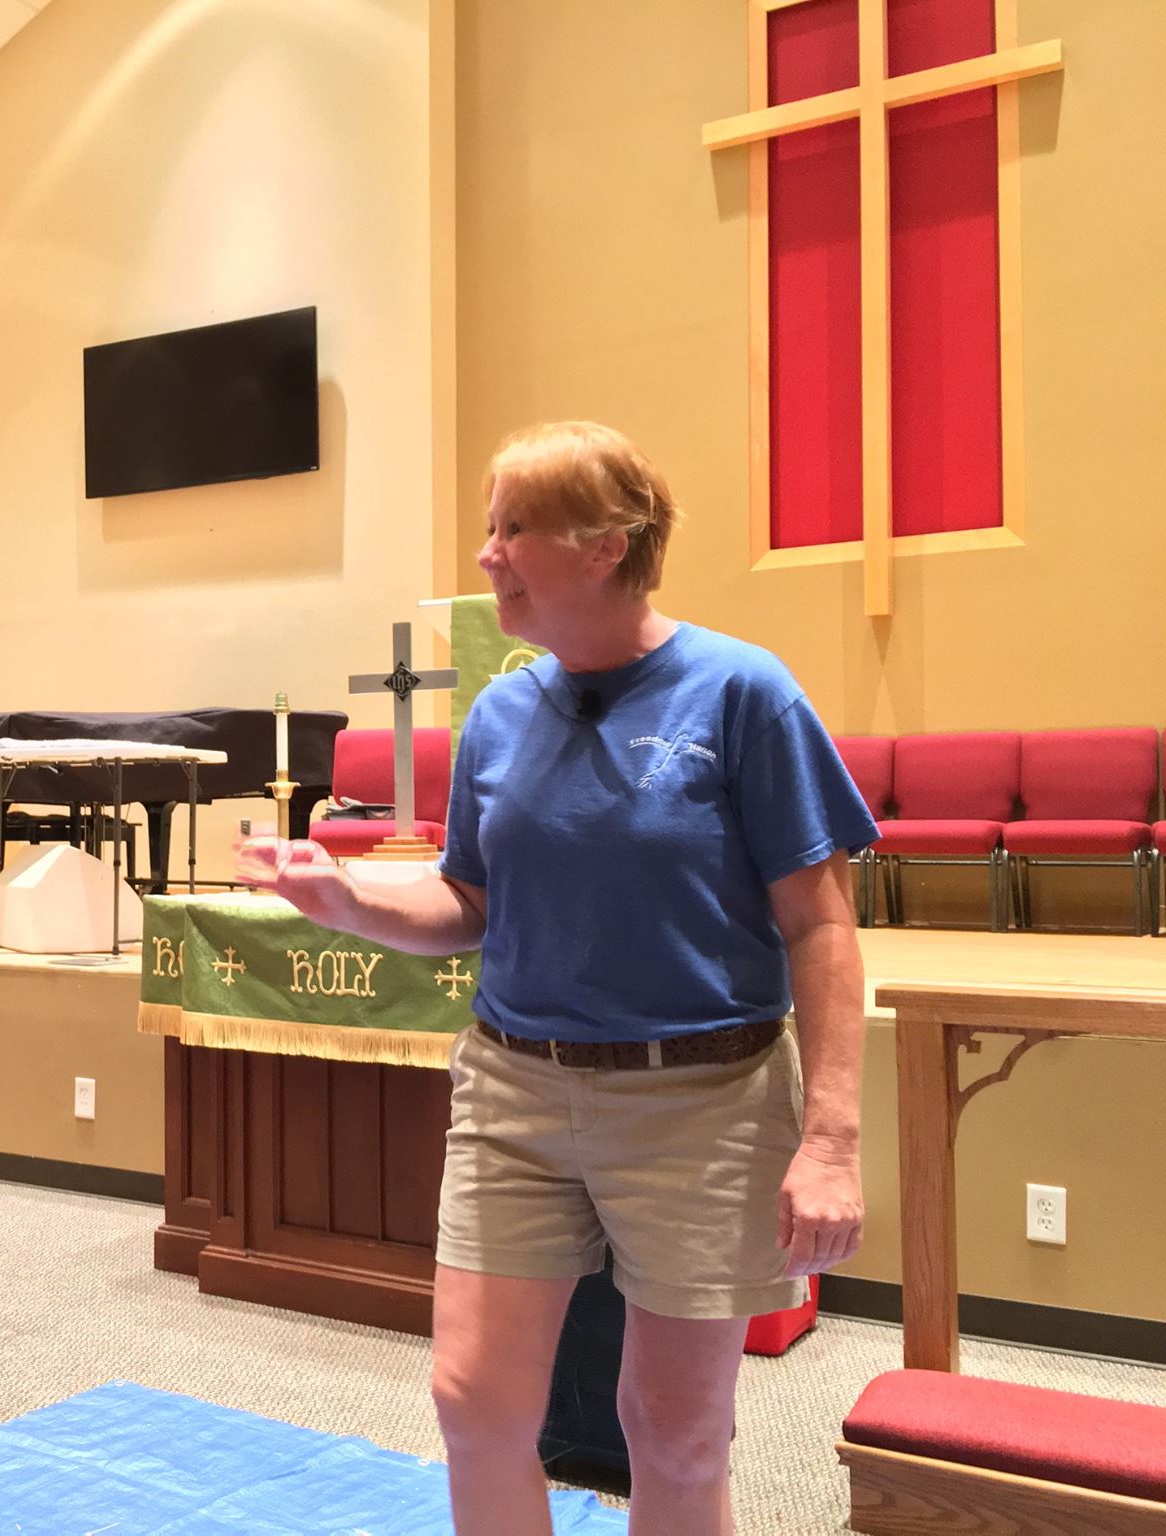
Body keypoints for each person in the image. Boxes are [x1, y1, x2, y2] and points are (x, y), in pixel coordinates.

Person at [238, 421, 874, 1535]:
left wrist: (828, 1140)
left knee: (673, 1434)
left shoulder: (743, 692)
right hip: (515, 1093)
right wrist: (347, 901)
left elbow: (820, 926)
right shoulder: (500, 712)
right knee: (472, 1404)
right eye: (490, 527)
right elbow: (469, 903)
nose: (486, 554)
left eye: (514, 528)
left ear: (606, 547)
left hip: (703, 1102)